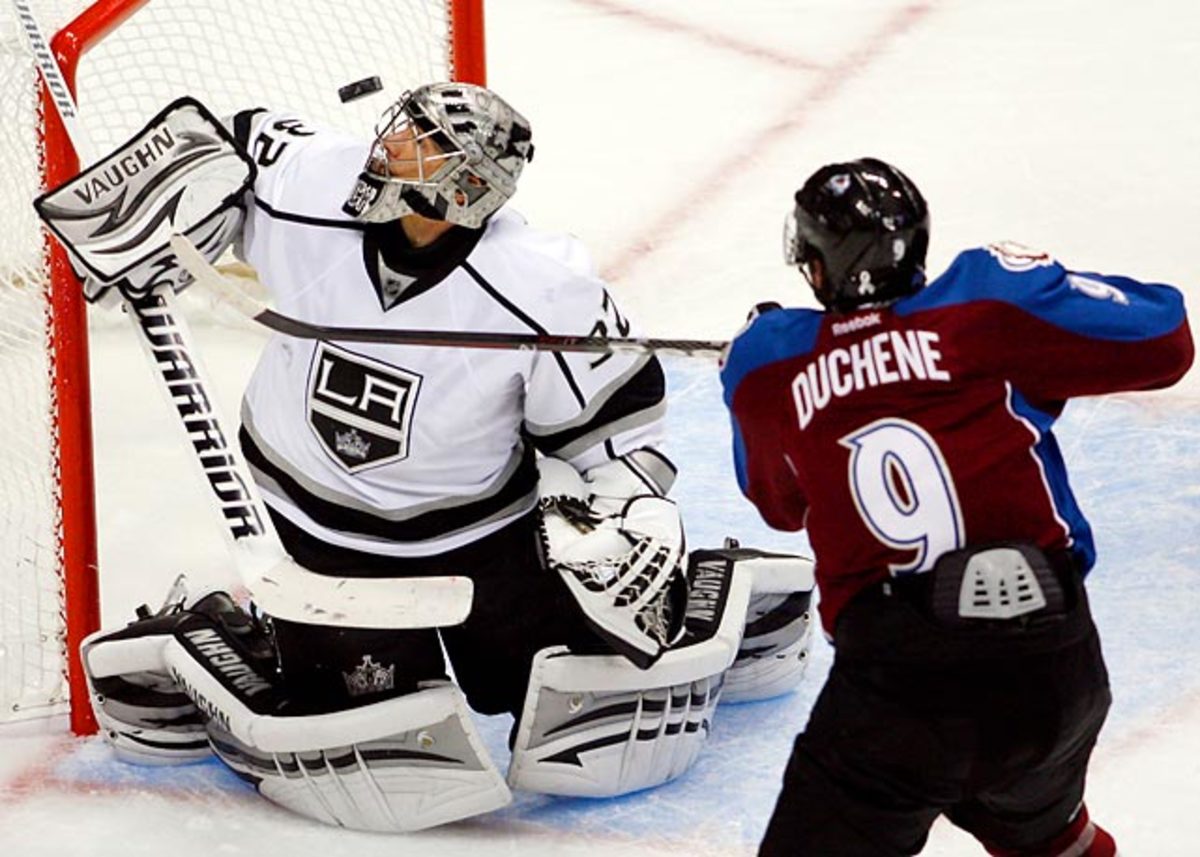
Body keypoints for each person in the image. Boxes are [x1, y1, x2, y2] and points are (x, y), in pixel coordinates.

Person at [69, 83, 815, 833]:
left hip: (476, 539)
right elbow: (232, 136)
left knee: (590, 701)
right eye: (400, 133)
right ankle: (211, 633)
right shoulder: (313, 183)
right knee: (358, 712)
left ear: (462, 189)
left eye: (416, 147)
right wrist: (144, 206)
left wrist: (633, 519)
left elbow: (619, 429)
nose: (386, 150)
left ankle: (717, 593)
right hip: (315, 529)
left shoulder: (540, 287)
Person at [719, 157, 1194, 856]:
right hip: (1055, 666)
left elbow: (778, 504)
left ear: (820, 264)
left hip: (902, 694)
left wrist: (745, 381)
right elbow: (1167, 339)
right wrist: (1042, 294)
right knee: (1049, 836)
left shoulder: (770, 364)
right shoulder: (985, 307)